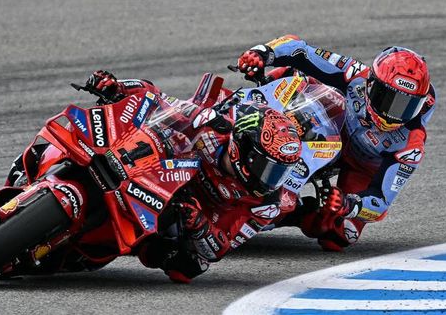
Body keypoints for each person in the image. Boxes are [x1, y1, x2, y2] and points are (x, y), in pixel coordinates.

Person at [85, 70, 303, 282]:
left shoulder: (266, 204)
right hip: (153, 167)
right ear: (243, 147)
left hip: (181, 208)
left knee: (189, 265)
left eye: (281, 171)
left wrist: (201, 226)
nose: (272, 179)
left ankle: (106, 242)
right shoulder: (217, 126)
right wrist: (118, 87)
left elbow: (221, 248)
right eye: (268, 167)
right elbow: (157, 98)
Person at [236, 35, 437, 251]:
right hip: (326, 127)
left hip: (362, 167)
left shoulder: (412, 143)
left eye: (406, 106)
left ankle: (298, 214)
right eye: (388, 98)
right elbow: (302, 51)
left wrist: (349, 204)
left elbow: (380, 203)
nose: (392, 115)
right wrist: (263, 53)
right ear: (372, 84)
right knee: (295, 75)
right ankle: (236, 108)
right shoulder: (356, 74)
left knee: (340, 234)